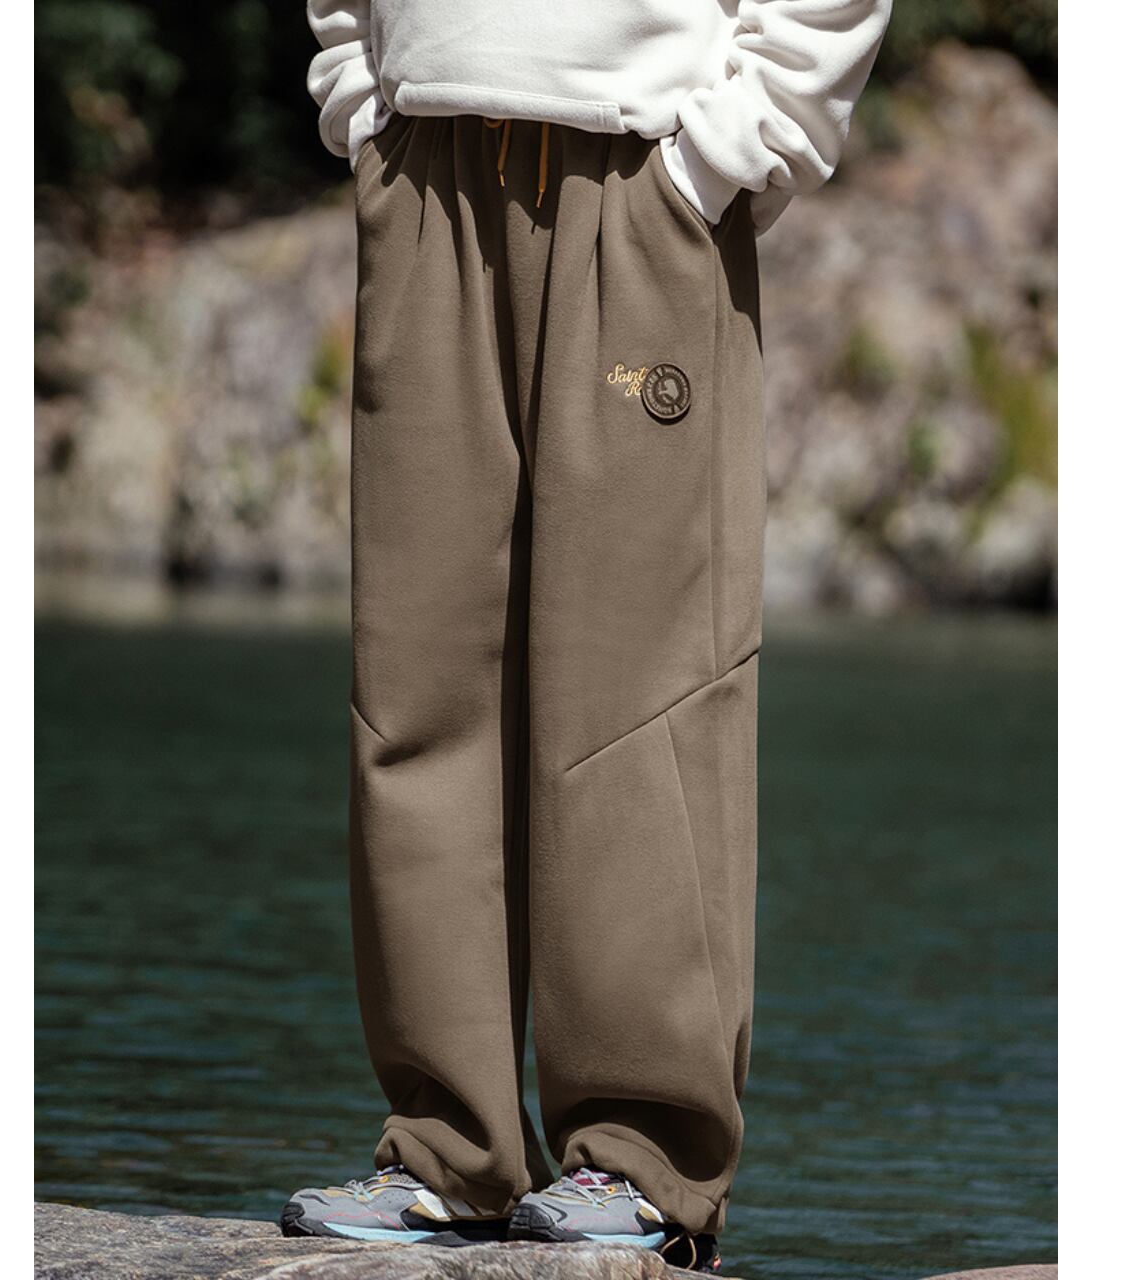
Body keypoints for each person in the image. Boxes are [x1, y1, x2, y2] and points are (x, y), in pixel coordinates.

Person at [281, 0, 890, 1269]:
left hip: (640, 175)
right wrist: (360, 90)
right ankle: (444, 1147)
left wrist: (725, 150)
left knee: (636, 683)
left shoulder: (673, 173)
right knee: (414, 684)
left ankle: (645, 1155)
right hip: (424, 165)